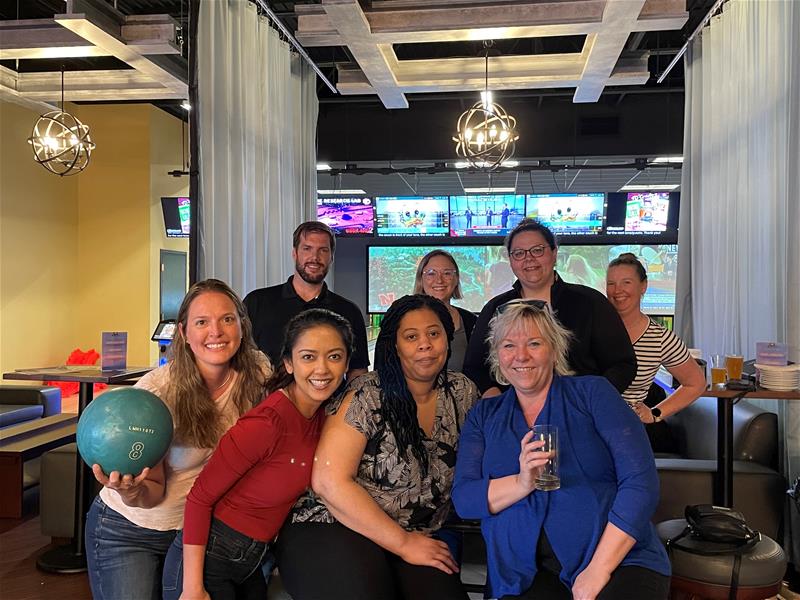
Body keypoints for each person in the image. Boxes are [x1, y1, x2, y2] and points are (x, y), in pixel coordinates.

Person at [452, 300, 671, 600]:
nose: (521, 356)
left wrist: (598, 570)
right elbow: (465, 500)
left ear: (555, 349)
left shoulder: (593, 394)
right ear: (497, 356)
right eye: (508, 346)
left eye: (534, 343)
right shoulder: (484, 415)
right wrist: (521, 483)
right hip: (525, 574)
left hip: (618, 560)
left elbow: (641, 484)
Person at [275, 294, 480, 600]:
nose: (425, 344)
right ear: (395, 346)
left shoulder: (462, 393)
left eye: (433, 334)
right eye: (411, 337)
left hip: (415, 533)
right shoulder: (367, 394)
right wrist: (402, 543)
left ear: (447, 340)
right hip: (331, 524)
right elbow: (329, 482)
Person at [85, 279, 271, 600]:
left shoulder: (258, 372)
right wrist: (131, 490)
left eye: (227, 319)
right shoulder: (157, 394)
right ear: (184, 333)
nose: (216, 331)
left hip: (197, 532)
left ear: (242, 325)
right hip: (130, 528)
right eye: (202, 322)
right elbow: (152, 492)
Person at [162, 309, 354, 600]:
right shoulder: (267, 423)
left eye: (334, 356)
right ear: (288, 363)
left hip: (252, 561)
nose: (322, 369)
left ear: (347, 364)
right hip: (208, 561)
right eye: (308, 357)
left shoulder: (323, 416)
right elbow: (199, 499)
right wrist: (192, 588)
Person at [463, 218, 636, 396]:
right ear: (511, 260)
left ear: (554, 253)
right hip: (514, 416)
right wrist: (496, 398)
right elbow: (474, 367)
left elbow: (622, 365)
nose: (528, 259)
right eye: (519, 253)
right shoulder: (496, 308)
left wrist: (592, 400)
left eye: (537, 250)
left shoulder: (590, 302)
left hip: (580, 416)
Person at [244, 220, 369, 380]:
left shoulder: (348, 312)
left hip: (331, 405)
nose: (314, 257)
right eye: (307, 249)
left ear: (331, 257)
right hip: (268, 403)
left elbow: (357, 373)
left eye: (323, 250)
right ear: (294, 253)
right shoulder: (257, 303)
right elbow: (240, 360)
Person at [606, 253, 705, 430]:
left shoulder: (660, 338)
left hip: (627, 432)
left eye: (626, 282)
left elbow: (696, 384)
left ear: (643, 286)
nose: (617, 290)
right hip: (585, 429)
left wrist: (654, 414)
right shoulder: (592, 328)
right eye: (611, 284)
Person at [413, 249, 477, 372]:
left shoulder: (471, 321)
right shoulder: (401, 319)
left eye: (447, 273)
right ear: (421, 279)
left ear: (456, 279)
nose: (439, 280)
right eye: (431, 273)